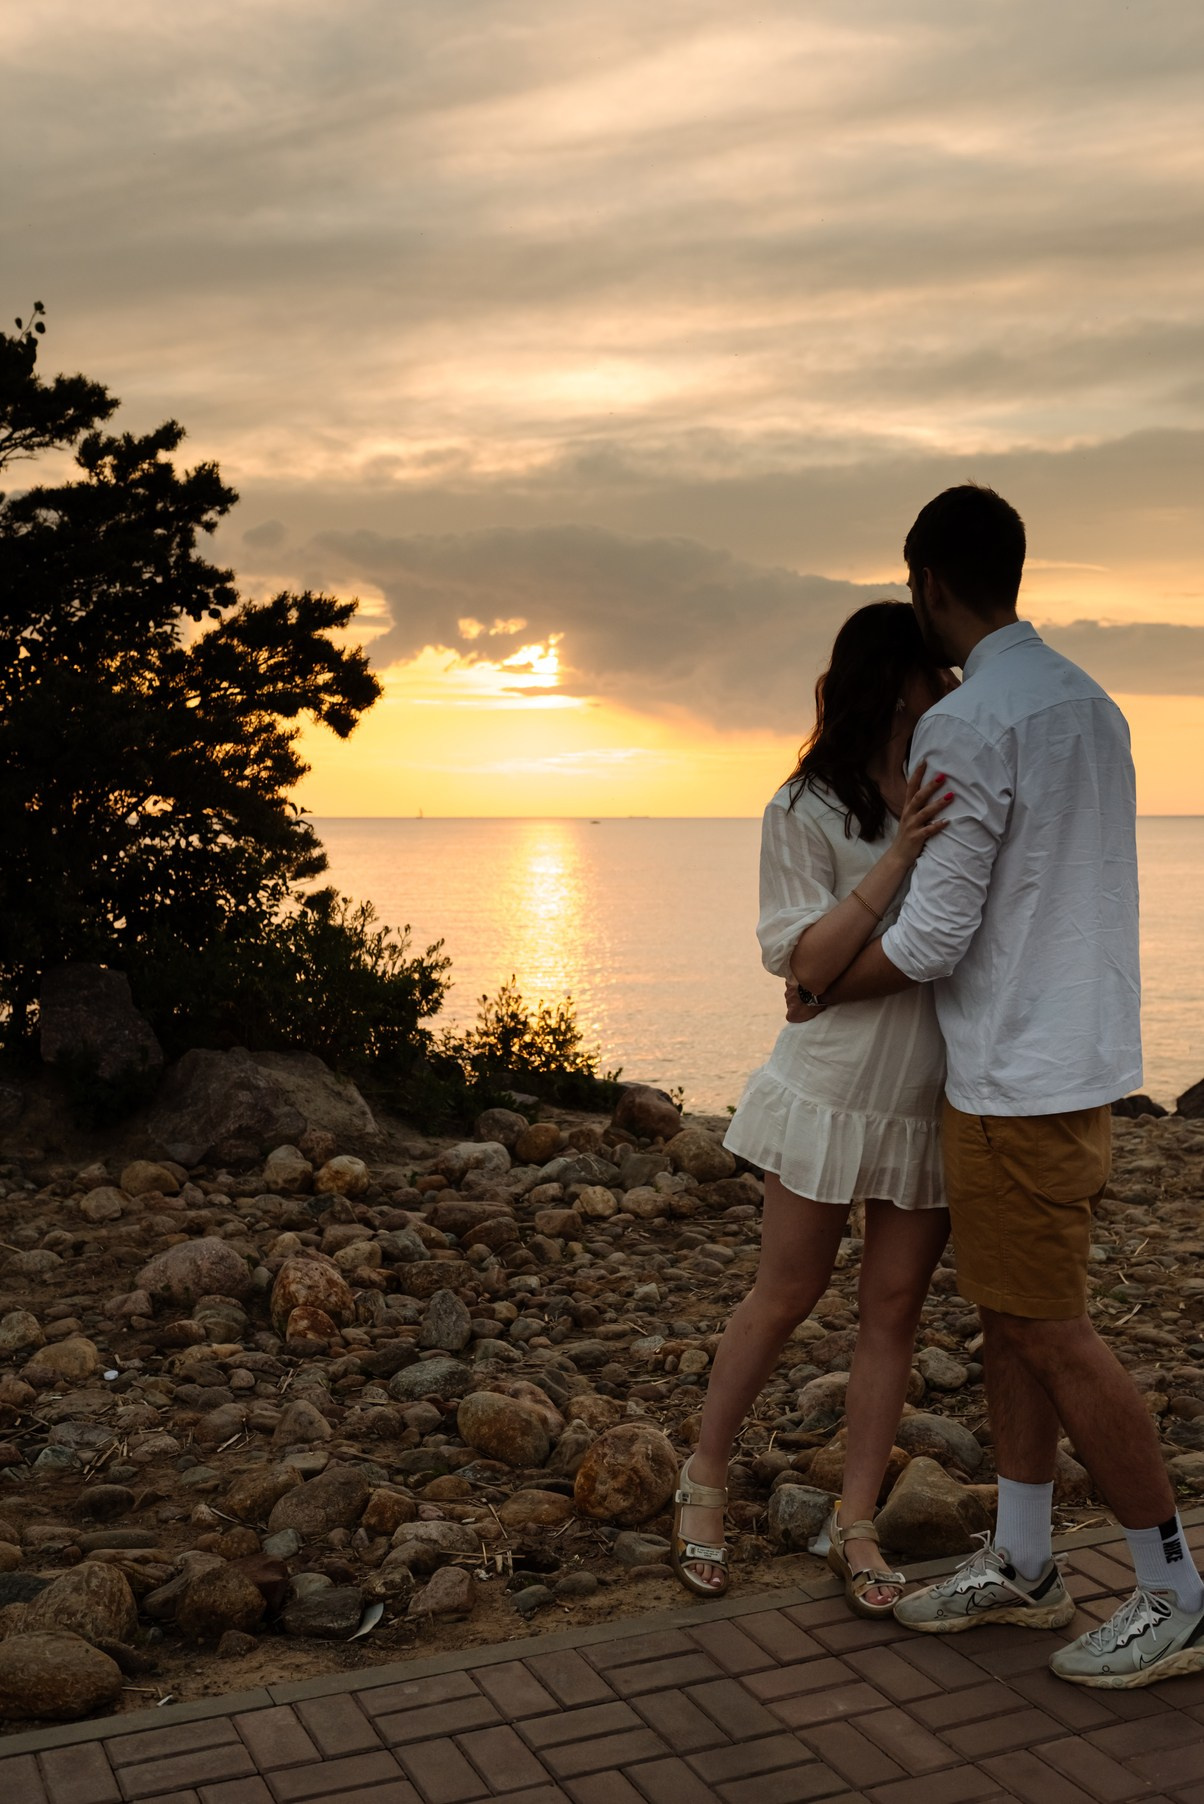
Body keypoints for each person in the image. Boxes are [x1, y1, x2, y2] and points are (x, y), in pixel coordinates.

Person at [811, 484, 1204, 1687]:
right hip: (1071, 1057)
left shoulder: (968, 723)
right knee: (1009, 1318)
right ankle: (1026, 1558)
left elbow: (931, 939)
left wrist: (824, 977)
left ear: (927, 583)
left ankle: (1175, 1589)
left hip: (1011, 1074)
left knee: (1049, 1327)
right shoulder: (1092, 704)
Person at [672, 601, 955, 1615]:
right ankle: (701, 1481)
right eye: (933, 672)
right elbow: (799, 959)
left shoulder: (950, 783)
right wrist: (899, 853)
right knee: (783, 1295)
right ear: (895, 678)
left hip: (928, 1091)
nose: (948, 687)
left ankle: (857, 1521)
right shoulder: (802, 807)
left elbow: (861, 962)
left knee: (891, 1314)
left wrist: (834, 971)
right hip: (831, 1089)